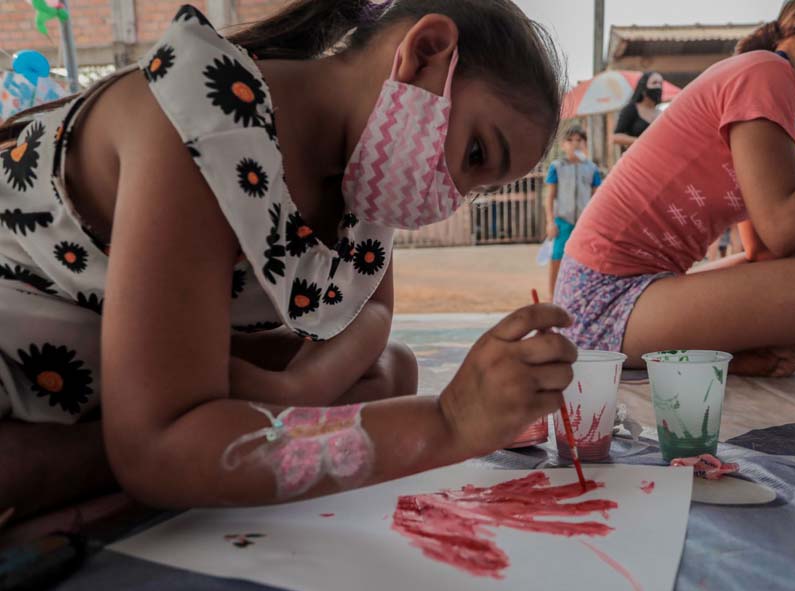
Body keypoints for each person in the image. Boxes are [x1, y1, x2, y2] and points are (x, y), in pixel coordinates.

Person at [0, 0, 576, 517]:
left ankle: (175, 434)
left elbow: (370, 315)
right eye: (475, 153)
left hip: (106, 348)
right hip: (20, 344)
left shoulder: (366, 171)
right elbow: (155, 451)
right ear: (426, 54)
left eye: (476, 190)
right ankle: (152, 440)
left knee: (389, 371)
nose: (451, 193)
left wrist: (297, 390)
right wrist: (448, 424)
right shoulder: (207, 121)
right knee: (143, 453)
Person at [555, 0, 795, 378]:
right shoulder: (763, 76)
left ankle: (718, 356)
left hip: (624, 297)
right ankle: (715, 355)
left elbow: (765, 248)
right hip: (602, 306)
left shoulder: (771, 86)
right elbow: (784, 224)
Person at [544, 125, 603, 299]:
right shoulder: (557, 167)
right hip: (563, 220)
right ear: (563, 145)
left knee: (586, 259)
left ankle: (581, 295)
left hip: (585, 222)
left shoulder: (591, 168)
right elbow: (550, 197)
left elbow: (597, 197)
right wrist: (550, 221)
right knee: (557, 257)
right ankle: (553, 298)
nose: (574, 144)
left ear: (585, 144)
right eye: (569, 140)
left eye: (579, 140)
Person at [612, 71, 664, 150]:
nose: (658, 87)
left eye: (660, 84)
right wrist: (641, 142)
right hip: (636, 157)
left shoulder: (661, 113)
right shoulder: (631, 109)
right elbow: (616, 137)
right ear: (643, 88)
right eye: (654, 83)